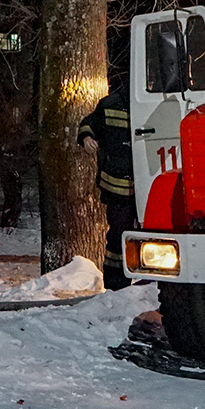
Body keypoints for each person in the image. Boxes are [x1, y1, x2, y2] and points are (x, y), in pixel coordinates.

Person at [78, 84, 135, 290]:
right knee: (118, 240)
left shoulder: (161, 100)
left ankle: (149, 286)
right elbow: (88, 124)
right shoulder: (111, 104)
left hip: (150, 188)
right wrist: (86, 138)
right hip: (117, 187)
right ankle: (116, 289)